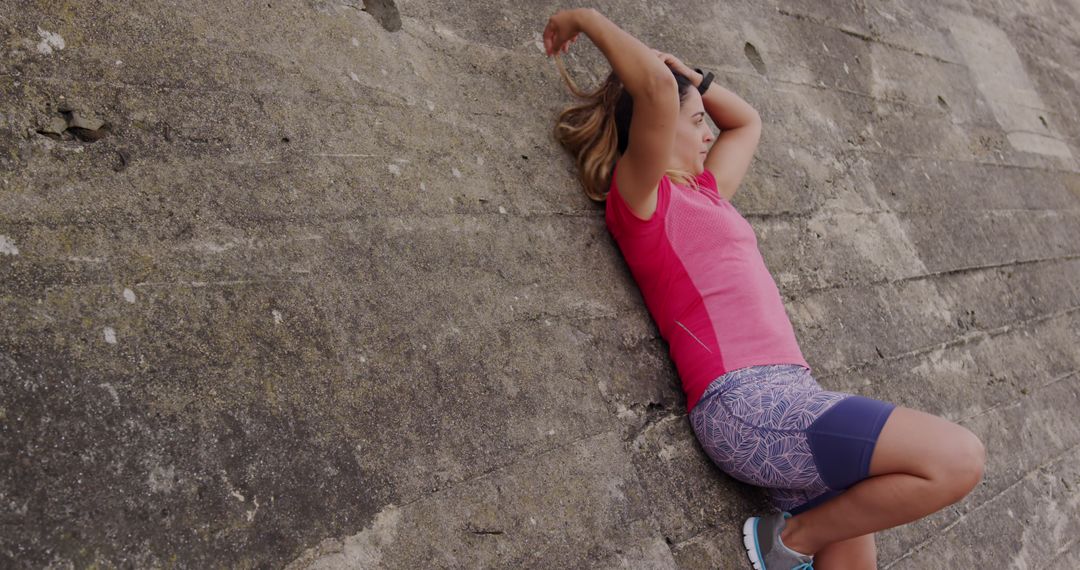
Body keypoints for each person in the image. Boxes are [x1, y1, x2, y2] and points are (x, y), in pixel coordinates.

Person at [543, 8, 986, 570]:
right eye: (697, 119)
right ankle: (789, 542)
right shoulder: (645, 200)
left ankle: (798, 539)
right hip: (747, 404)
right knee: (957, 458)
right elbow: (655, 89)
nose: (708, 131)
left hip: (795, 397)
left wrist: (694, 77)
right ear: (657, 126)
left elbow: (748, 121)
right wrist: (583, 16)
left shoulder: (708, 192)